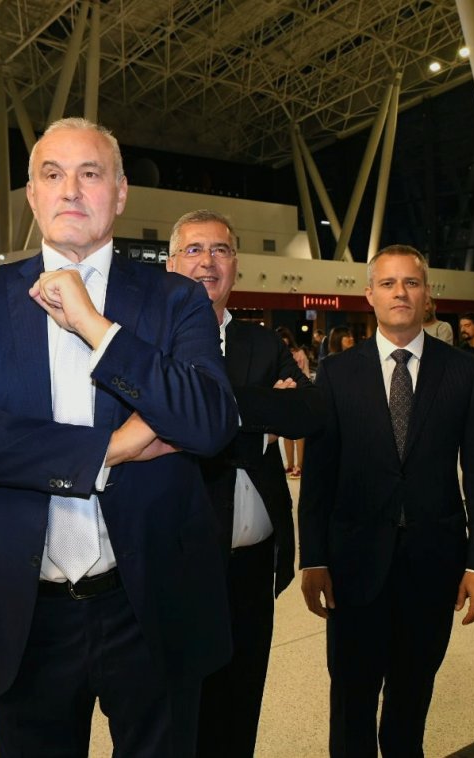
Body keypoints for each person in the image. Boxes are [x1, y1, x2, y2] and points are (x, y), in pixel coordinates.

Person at [0, 118, 238, 755]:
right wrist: (110, 450)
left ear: (120, 194)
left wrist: (96, 327)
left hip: (150, 600)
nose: (70, 189)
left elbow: (208, 421)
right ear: (32, 195)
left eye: (90, 174)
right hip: (23, 605)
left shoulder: (177, 299)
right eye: (53, 174)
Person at [299, 244, 474, 758]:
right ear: (369, 295)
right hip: (353, 566)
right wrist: (314, 557)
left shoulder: (464, 372)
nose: (400, 293)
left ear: (427, 293)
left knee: (411, 704)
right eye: (388, 283)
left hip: (433, 565)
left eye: (411, 282)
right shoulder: (337, 373)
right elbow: (319, 475)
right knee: (352, 702)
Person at [166, 210, 324, 757]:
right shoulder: (150, 340)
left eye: (221, 250)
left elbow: (309, 412)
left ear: (236, 265)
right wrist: (261, 413)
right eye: (193, 250)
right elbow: (174, 428)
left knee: (241, 701)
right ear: (171, 263)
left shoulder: (259, 342)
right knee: (180, 712)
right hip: (180, 560)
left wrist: (213, 412)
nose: (207, 262)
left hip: (255, 564)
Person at [276, 325, 310, 479]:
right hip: (284, 396)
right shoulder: (275, 354)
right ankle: (290, 464)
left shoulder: (298, 354)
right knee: (286, 433)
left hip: (298, 395)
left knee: (299, 433)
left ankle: (300, 465)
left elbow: (305, 375)